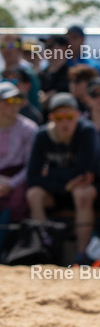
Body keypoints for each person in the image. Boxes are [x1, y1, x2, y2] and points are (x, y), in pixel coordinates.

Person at [25, 93, 98, 261]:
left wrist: (50, 175)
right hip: (59, 191)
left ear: (78, 115)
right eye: (59, 117)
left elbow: (83, 172)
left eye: (69, 116)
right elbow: (33, 176)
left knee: (81, 192)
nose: (64, 122)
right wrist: (63, 185)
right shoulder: (43, 135)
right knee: (34, 194)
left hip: (87, 190)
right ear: (51, 117)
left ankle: (82, 254)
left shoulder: (87, 131)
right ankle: (43, 249)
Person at [0, 82, 36, 223]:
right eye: (9, 100)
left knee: (16, 204)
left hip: (18, 180)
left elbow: (31, 166)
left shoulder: (29, 129)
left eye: (17, 100)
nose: (14, 104)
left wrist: (11, 184)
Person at [1, 33, 42, 112]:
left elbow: (34, 104)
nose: (7, 49)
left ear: (20, 48)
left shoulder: (29, 74)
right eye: (3, 46)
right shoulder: (1, 73)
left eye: (11, 45)